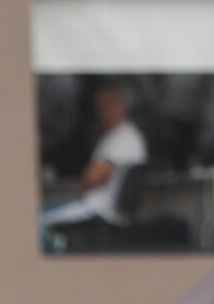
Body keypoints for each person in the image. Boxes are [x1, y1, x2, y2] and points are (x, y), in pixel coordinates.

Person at [37, 82, 146, 244]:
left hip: (100, 211)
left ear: (122, 105)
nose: (103, 110)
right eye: (100, 105)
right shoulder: (117, 135)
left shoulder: (123, 137)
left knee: (37, 220)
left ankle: (55, 254)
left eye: (108, 104)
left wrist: (82, 184)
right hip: (96, 208)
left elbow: (93, 178)